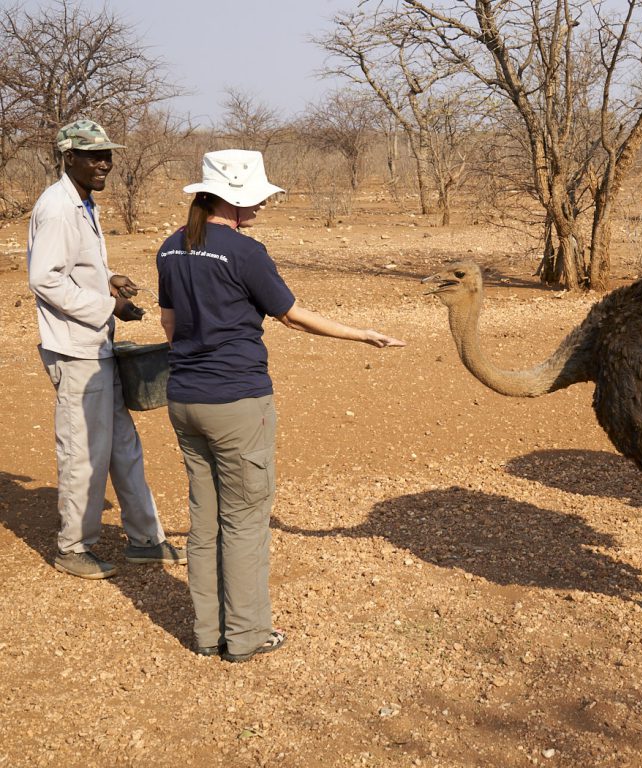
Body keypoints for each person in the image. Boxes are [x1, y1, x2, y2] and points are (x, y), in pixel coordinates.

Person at [157, 149, 406, 662]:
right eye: (256, 198)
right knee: (246, 520)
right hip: (237, 402)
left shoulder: (170, 248)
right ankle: (246, 636)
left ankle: (207, 633)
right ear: (234, 200)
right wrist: (361, 334)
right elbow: (292, 316)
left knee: (205, 521)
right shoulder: (245, 253)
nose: (262, 206)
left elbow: (167, 324)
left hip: (184, 399)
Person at [27, 119, 186, 579]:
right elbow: (45, 279)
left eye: (107, 155)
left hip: (96, 348)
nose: (104, 163)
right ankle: (73, 547)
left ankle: (144, 539)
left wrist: (109, 276)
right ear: (68, 157)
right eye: (93, 155)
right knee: (84, 451)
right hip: (75, 351)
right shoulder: (57, 206)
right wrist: (107, 304)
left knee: (121, 444)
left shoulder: (82, 202)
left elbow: (77, 265)